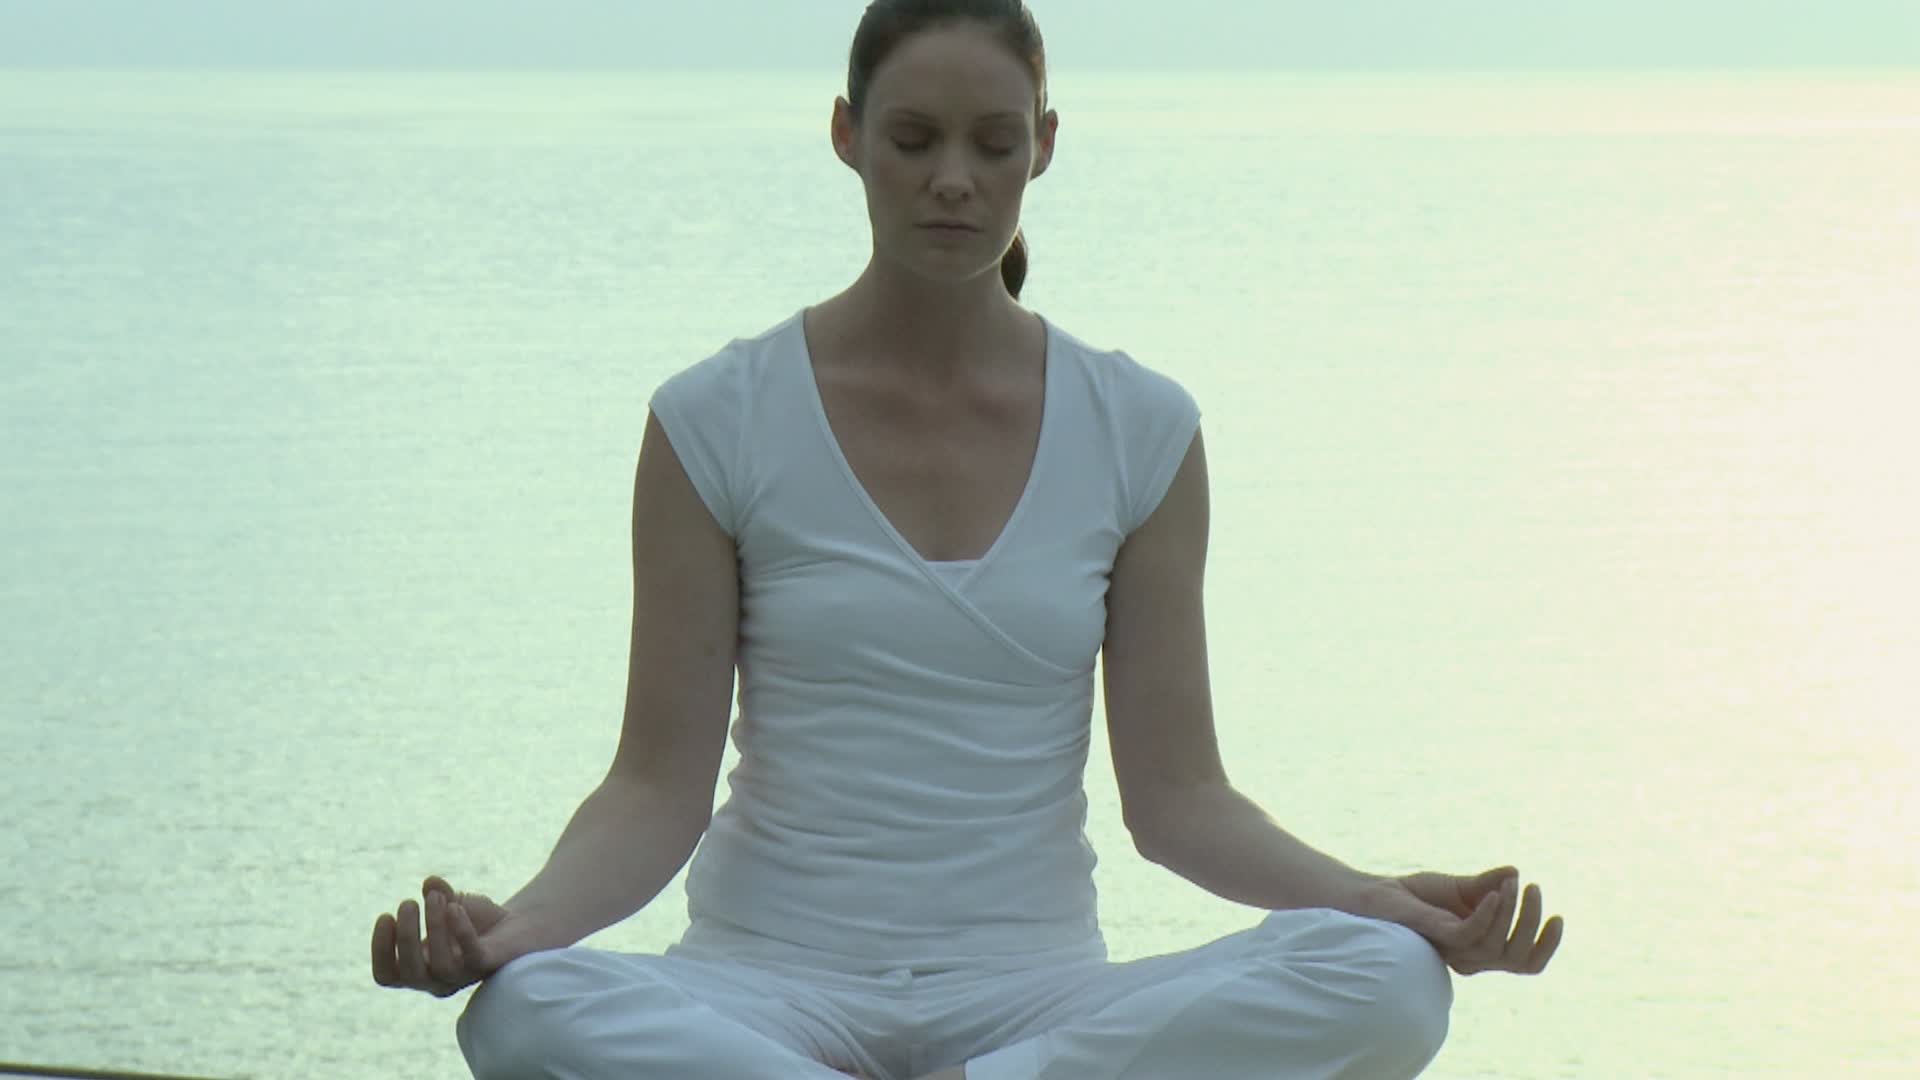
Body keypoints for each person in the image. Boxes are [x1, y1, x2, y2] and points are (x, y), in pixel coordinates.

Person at [369, 2, 1565, 1077]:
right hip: (764, 992)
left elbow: (1181, 800)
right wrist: (510, 933)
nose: (955, 179)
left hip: (1036, 1002)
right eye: (914, 140)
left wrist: (1376, 900)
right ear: (846, 135)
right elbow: (652, 790)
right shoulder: (712, 418)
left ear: (1045, 143)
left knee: (1389, 982)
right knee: (523, 1011)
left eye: (995, 144)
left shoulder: (1140, 428)